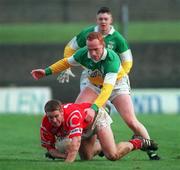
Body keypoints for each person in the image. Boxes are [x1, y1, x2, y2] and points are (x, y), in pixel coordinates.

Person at [31, 32, 159, 160]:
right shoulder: (83, 53)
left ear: (103, 46)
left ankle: (150, 149)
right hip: (95, 85)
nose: (92, 53)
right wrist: (46, 71)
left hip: (117, 86)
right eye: (90, 49)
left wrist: (94, 107)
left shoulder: (111, 59)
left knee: (131, 121)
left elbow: (107, 89)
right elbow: (66, 62)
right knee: (77, 112)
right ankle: (96, 141)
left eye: (96, 49)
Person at [56, 7, 160, 160]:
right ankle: (92, 144)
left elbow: (128, 61)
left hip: (115, 82)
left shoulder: (117, 38)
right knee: (81, 113)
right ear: (96, 20)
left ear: (111, 20)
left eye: (106, 19)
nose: (103, 21)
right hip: (92, 81)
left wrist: (119, 76)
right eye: (100, 19)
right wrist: (67, 67)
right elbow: (70, 48)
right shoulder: (87, 34)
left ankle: (150, 149)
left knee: (130, 120)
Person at [40, 99, 158, 163]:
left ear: (61, 112)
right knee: (86, 158)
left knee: (112, 155)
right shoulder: (45, 125)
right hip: (83, 129)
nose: (54, 120)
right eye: (50, 117)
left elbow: (75, 145)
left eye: (56, 116)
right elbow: (50, 149)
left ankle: (138, 142)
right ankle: (103, 144)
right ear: (46, 115)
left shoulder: (72, 115)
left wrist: (67, 163)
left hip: (97, 119)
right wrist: (60, 154)